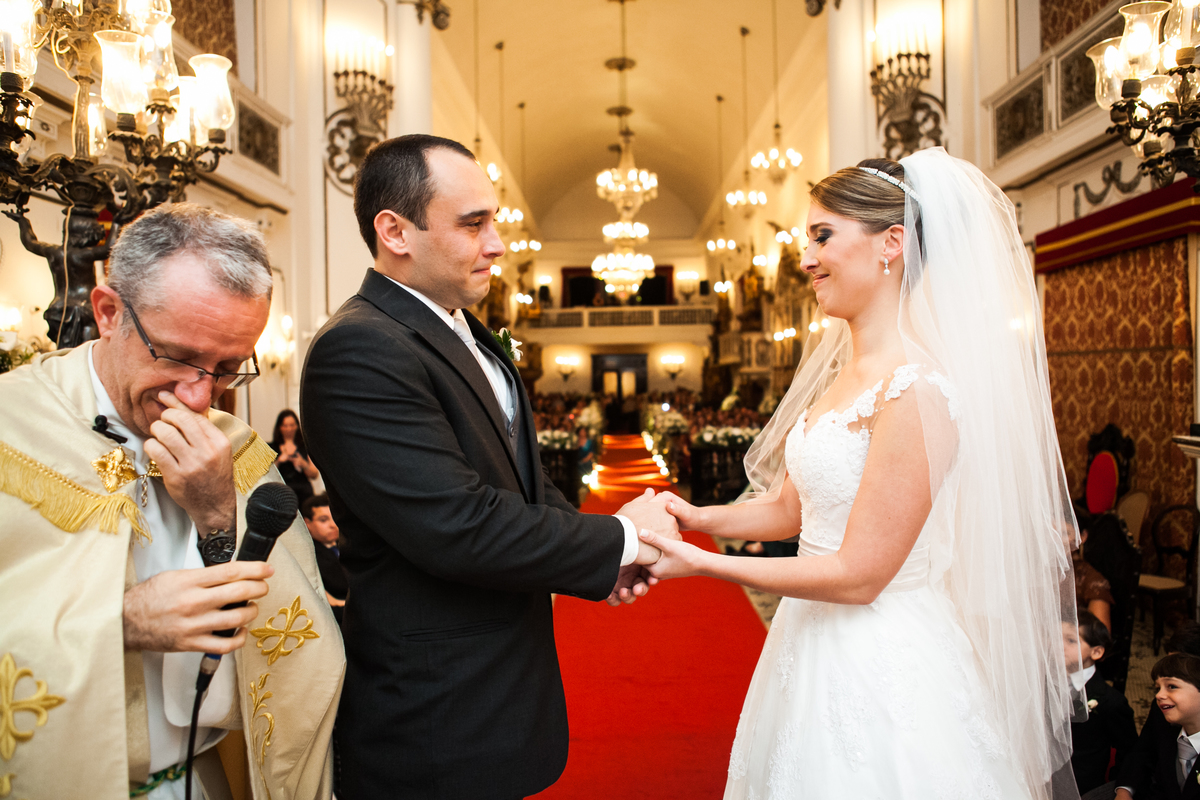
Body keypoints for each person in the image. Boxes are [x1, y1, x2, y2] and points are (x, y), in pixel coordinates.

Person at [639, 149, 1080, 798]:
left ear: (891, 244)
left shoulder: (917, 390)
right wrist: (698, 517)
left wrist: (703, 565)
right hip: (805, 638)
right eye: (805, 240)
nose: (806, 258)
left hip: (884, 657)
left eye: (822, 236)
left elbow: (861, 575)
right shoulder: (843, 374)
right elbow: (793, 509)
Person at [300, 133, 677, 800]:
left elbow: (518, 480)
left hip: (500, 681)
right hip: (435, 708)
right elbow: (457, 522)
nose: (498, 243)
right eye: (474, 224)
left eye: (493, 220)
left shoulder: (462, 328)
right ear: (396, 232)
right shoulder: (359, 348)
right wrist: (621, 536)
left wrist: (598, 560)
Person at [0, 203, 343, 800]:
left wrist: (217, 516)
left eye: (229, 368)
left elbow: (303, 644)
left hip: (203, 778)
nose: (199, 395)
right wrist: (119, 621)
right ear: (108, 314)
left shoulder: (237, 447)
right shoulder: (12, 428)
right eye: (180, 357)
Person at [1116, 622, 1200, 799]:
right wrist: (1124, 790)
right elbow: (1143, 750)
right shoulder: (1165, 708)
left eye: (1172, 684)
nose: (1159, 695)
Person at [1066, 611, 1137, 794]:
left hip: (1083, 788)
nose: (1059, 646)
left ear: (1096, 652)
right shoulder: (1040, 687)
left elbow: (1129, 753)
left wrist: (1116, 789)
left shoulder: (1110, 701)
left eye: (1071, 641)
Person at [302, 493, 348, 622]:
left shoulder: (348, 545)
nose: (332, 524)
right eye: (323, 520)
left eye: (333, 517)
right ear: (307, 523)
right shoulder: (309, 555)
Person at [271, 409, 318, 505]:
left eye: (292, 425)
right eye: (285, 426)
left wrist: (303, 463)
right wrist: (279, 461)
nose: (289, 429)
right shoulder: (272, 447)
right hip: (281, 492)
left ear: (297, 426)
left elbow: (314, 475)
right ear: (279, 427)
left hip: (303, 493)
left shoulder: (304, 447)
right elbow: (267, 474)